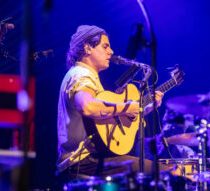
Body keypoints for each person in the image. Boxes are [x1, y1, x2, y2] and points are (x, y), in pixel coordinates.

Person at [56, 25, 168, 181]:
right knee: (168, 173)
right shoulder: (82, 74)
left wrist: (145, 109)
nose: (111, 51)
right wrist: (127, 107)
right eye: (105, 46)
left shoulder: (84, 75)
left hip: (89, 159)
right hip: (84, 162)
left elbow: (103, 120)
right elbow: (87, 107)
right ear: (88, 48)